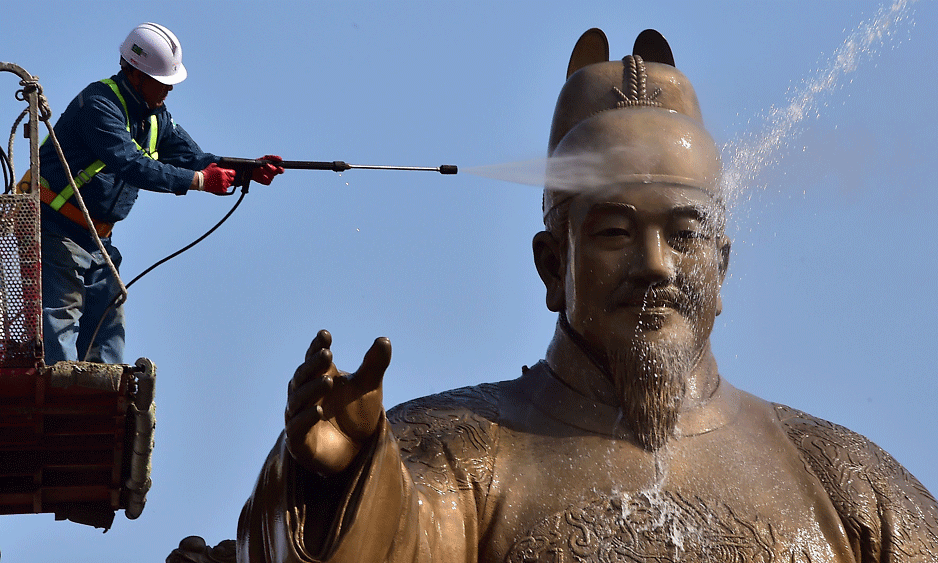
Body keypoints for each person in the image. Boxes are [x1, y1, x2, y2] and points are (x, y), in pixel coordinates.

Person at [236, 29, 938, 562]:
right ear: (552, 264)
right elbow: (397, 540)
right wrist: (339, 479)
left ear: (722, 268)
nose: (655, 265)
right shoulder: (456, 456)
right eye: (613, 232)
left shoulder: (849, 487)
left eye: (686, 235)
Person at [35, 22, 283, 365]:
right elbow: (131, 164)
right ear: (136, 74)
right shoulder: (99, 104)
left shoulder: (155, 117)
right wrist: (199, 181)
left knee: (109, 316)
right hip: (56, 230)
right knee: (62, 314)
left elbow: (194, 158)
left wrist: (246, 169)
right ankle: (58, 392)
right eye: (163, 82)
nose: (168, 90)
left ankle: (103, 400)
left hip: (96, 240)